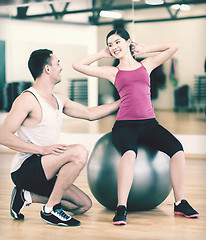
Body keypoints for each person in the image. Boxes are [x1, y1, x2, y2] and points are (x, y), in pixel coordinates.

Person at [72, 28, 199, 225]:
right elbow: (77, 65)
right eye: (110, 44)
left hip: (150, 124)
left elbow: (174, 46)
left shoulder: (146, 65)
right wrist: (101, 54)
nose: (113, 47)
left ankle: (180, 202)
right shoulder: (113, 72)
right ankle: (121, 207)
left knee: (178, 150)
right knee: (130, 154)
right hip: (125, 126)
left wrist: (147, 48)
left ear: (128, 42)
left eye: (117, 42)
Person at [0, 49, 120, 227]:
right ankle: (50, 210)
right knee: (79, 152)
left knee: (82, 205)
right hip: (26, 169)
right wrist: (41, 149)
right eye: (58, 63)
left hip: (47, 168)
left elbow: (89, 113)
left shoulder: (59, 99)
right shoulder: (27, 99)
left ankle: (25, 196)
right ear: (47, 69)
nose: (61, 67)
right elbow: (3, 136)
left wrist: (123, 101)